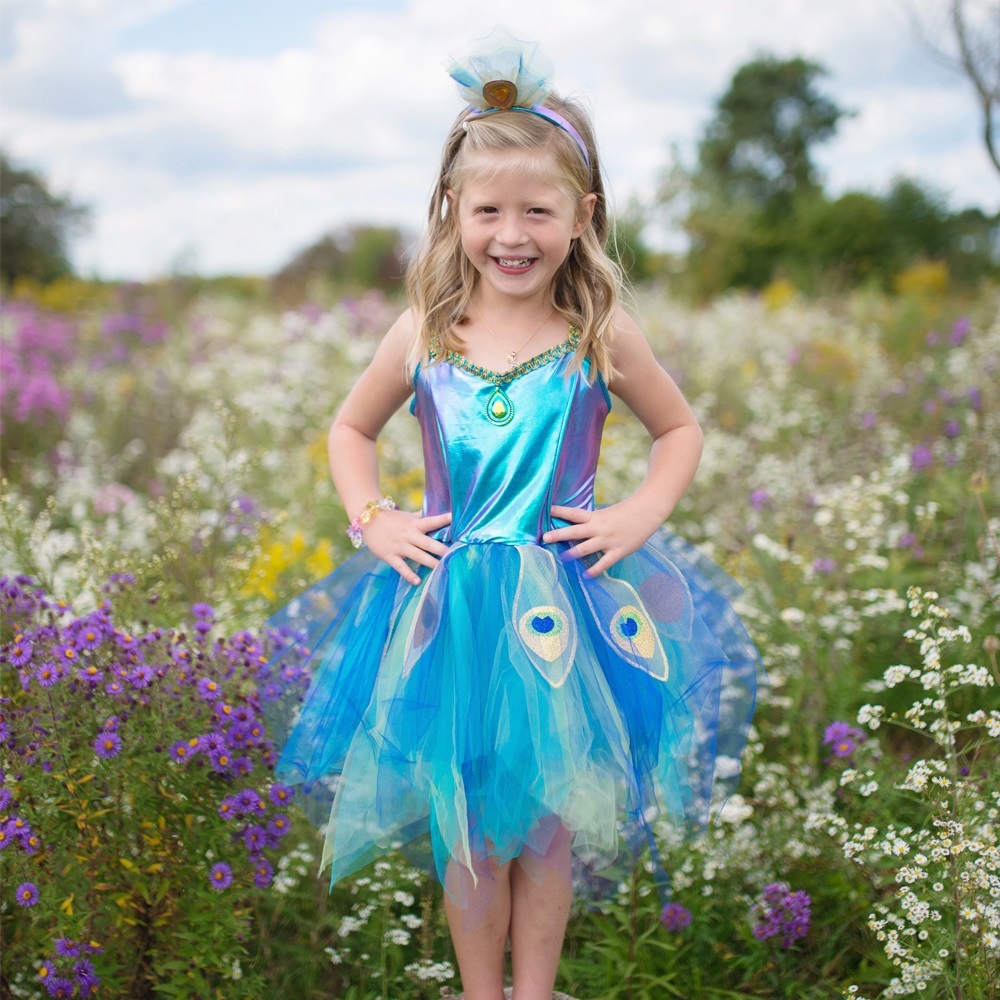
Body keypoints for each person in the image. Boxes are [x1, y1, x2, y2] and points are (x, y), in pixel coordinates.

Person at [261, 27, 760, 1000]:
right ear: (453, 212)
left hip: (564, 615)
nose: (512, 234)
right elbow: (347, 431)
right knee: (467, 822)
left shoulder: (598, 333)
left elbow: (680, 429)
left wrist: (638, 514)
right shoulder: (423, 331)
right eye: (488, 210)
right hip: (448, 610)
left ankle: (534, 992)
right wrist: (374, 519)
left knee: (543, 824)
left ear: (583, 214)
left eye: (538, 209)